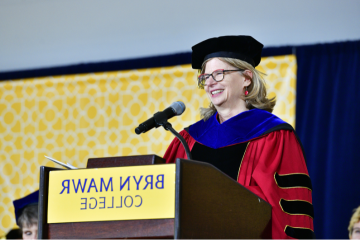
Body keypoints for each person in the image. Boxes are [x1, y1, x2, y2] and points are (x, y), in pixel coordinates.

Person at [163, 35, 314, 239]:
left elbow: (289, 212)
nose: (210, 83)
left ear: (247, 77)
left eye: (219, 74)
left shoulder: (274, 135)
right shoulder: (188, 139)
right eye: (205, 77)